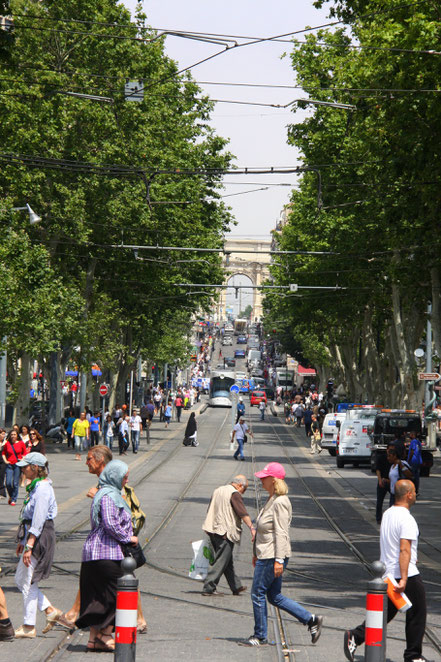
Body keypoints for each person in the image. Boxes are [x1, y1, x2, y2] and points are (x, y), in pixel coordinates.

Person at [240, 462, 323, 647]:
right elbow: (265, 531)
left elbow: (281, 532)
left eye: (264, 477)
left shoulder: (281, 502)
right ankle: (311, 620)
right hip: (266, 555)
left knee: (257, 593)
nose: (261, 480)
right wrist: (256, 553)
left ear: (273, 480)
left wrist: (278, 560)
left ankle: (260, 635)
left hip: (272, 557)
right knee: (274, 596)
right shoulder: (272, 499)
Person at [344, 480, 427, 662]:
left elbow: (396, 544)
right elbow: (404, 549)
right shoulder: (407, 519)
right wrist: (404, 579)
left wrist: (410, 557)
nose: (415, 495)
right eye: (414, 492)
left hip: (387, 572)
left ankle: (355, 636)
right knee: (417, 613)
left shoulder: (388, 513)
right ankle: (413, 655)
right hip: (405, 573)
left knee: (385, 613)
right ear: (409, 495)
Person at [75, 460, 137, 652]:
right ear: (115, 476)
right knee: (121, 593)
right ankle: (105, 634)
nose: (126, 479)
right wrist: (128, 538)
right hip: (107, 552)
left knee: (98, 597)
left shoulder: (104, 493)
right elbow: (110, 524)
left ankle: (93, 639)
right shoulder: (110, 496)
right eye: (124, 476)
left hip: (94, 553)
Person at [14, 452, 62, 637]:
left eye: (25, 466)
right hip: (32, 535)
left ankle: (28, 626)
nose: (22, 469)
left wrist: (29, 545)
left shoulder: (42, 489)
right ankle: (50, 611)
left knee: (28, 581)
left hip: (40, 536)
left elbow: (39, 519)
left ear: (35, 467)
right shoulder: (36, 487)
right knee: (21, 579)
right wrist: (23, 540)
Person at [202, 475, 255, 596]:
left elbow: (210, 508)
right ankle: (209, 587)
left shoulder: (218, 490)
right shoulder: (234, 493)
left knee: (226, 560)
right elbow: (242, 512)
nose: (242, 492)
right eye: (244, 489)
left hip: (213, 529)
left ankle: (235, 586)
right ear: (240, 485)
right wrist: (251, 527)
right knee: (221, 560)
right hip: (225, 532)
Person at [2, 429, 28, 505]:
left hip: (17, 465)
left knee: (15, 483)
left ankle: (14, 499)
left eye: (14, 434)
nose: (13, 436)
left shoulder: (21, 443)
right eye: (12, 434)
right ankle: (11, 496)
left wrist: (22, 458)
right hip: (9, 465)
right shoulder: (7, 444)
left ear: (17, 435)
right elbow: (3, 453)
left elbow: (25, 453)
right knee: (8, 483)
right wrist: (6, 461)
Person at [375, 449, 390, 523]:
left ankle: (391, 518)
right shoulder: (381, 458)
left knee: (393, 501)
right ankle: (378, 518)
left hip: (391, 482)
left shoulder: (395, 459)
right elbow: (378, 469)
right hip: (383, 481)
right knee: (379, 501)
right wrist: (380, 480)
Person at [0, 428, 7, 500]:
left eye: (4, 434)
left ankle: (2, 492)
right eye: (2, 434)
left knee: (1, 476)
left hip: (3, 462)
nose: (3, 435)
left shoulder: (6, 443)